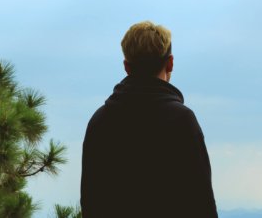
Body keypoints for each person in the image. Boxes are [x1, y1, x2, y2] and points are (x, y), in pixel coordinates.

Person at [80, 21, 218, 217]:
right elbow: (201, 202)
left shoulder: (100, 121)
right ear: (170, 63)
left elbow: (91, 201)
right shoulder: (182, 120)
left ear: (126, 67)